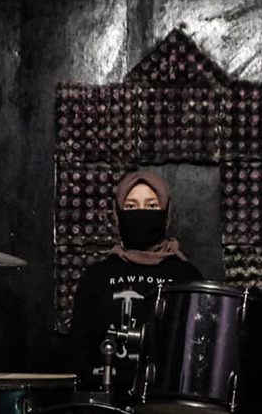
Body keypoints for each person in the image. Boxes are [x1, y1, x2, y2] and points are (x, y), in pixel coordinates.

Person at [68, 170, 202, 404]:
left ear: (166, 213)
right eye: (131, 206)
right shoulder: (96, 277)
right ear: (118, 213)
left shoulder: (186, 275)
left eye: (151, 206)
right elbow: (78, 354)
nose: (141, 213)